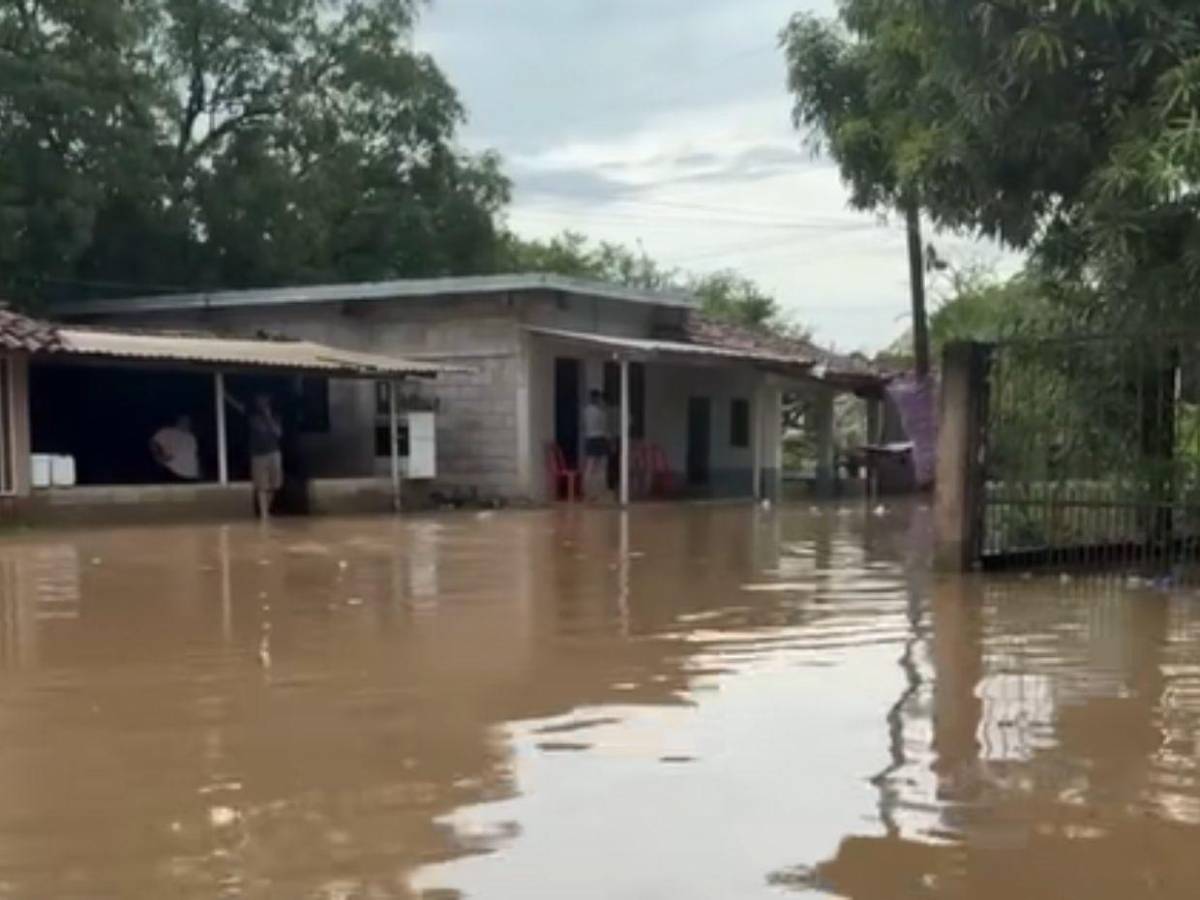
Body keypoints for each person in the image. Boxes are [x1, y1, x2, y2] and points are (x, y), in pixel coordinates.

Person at [227, 392, 283, 519]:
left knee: (275, 485)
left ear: (269, 400)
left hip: (274, 453)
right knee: (261, 485)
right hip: (258, 454)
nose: (261, 401)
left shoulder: (275, 415)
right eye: (259, 399)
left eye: (264, 398)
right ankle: (264, 514)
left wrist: (268, 417)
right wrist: (225, 394)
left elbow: (278, 433)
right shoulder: (251, 414)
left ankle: (266, 510)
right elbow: (236, 405)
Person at [150, 415, 199, 482]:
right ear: (178, 421)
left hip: (191, 475)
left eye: (188, 421)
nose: (186, 423)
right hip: (173, 472)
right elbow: (153, 442)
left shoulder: (191, 437)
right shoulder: (168, 431)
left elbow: (194, 456)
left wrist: (199, 472)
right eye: (183, 420)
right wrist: (158, 456)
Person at [583, 389, 609, 500]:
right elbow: (604, 426)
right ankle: (600, 491)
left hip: (590, 438)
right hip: (599, 438)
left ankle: (588, 491)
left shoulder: (586, 411)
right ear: (598, 399)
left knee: (590, 466)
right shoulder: (600, 412)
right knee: (601, 466)